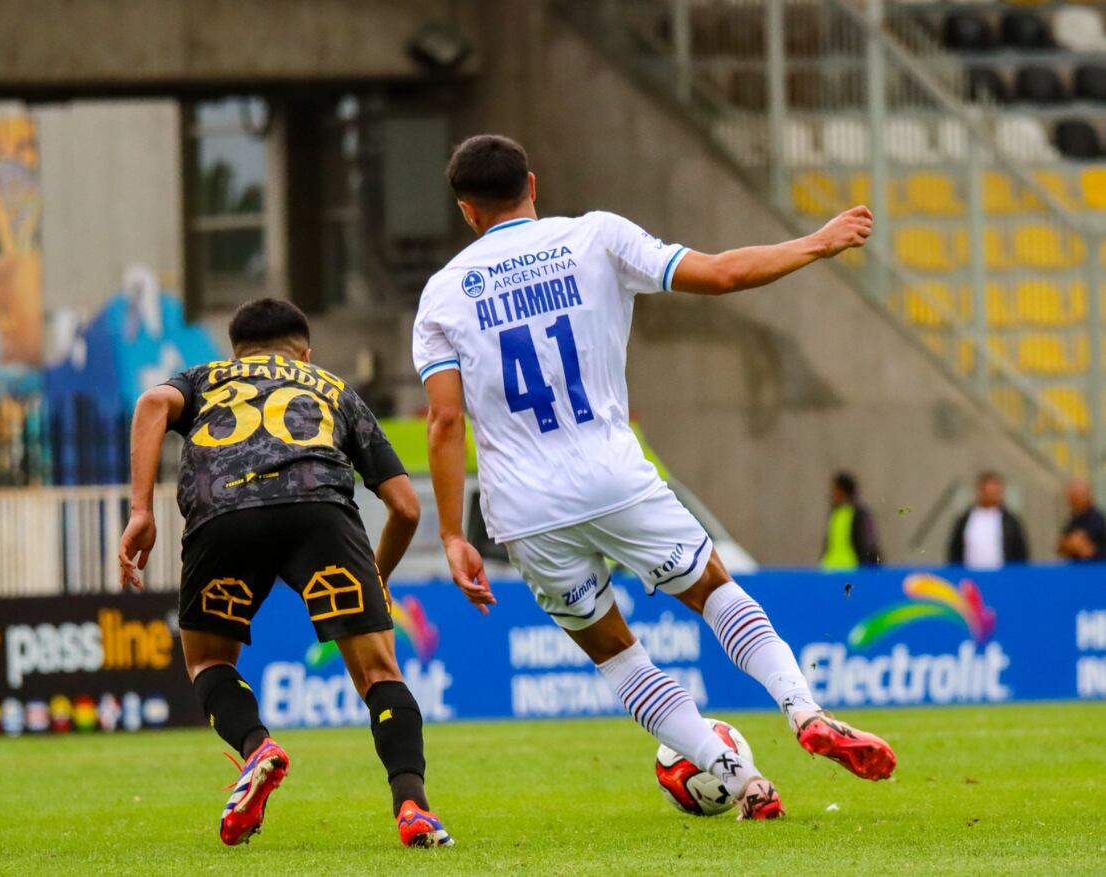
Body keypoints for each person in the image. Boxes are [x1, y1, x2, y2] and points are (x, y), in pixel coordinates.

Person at [413, 134, 896, 822]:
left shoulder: (441, 294)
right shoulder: (595, 236)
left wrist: (455, 533)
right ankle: (803, 708)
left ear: (466, 210)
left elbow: (443, 422)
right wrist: (815, 244)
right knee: (715, 592)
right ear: (533, 181)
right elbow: (724, 274)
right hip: (615, 475)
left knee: (618, 656)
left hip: (524, 507)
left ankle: (738, 777)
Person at [119, 298, 453, 849]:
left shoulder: (205, 378)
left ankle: (256, 749)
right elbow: (407, 509)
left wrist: (140, 512)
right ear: (304, 352)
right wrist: (376, 576)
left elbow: (153, 403)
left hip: (223, 517)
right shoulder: (330, 387)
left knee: (207, 660)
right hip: (318, 516)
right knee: (379, 674)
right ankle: (414, 807)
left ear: (237, 351)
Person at [946, 471, 1029, 569]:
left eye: (996, 492)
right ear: (981, 492)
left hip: (1002, 577)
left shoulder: (1010, 521)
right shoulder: (965, 519)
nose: (993, 495)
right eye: (989, 491)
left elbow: (1020, 552)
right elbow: (955, 550)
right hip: (970, 578)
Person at [820, 471, 881, 570]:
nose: (831, 493)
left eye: (834, 489)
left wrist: (868, 566)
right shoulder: (834, 514)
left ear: (842, 491)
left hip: (852, 570)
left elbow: (867, 544)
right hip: (830, 569)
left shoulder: (859, 514)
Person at [1057, 478, 1106, 562]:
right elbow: (1061, 545)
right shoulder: (1073, 520)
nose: (1071, 500)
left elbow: (1077, 543)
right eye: (1071, 495)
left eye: (1076, 496)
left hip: (1096, 571)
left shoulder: (1095, 519)